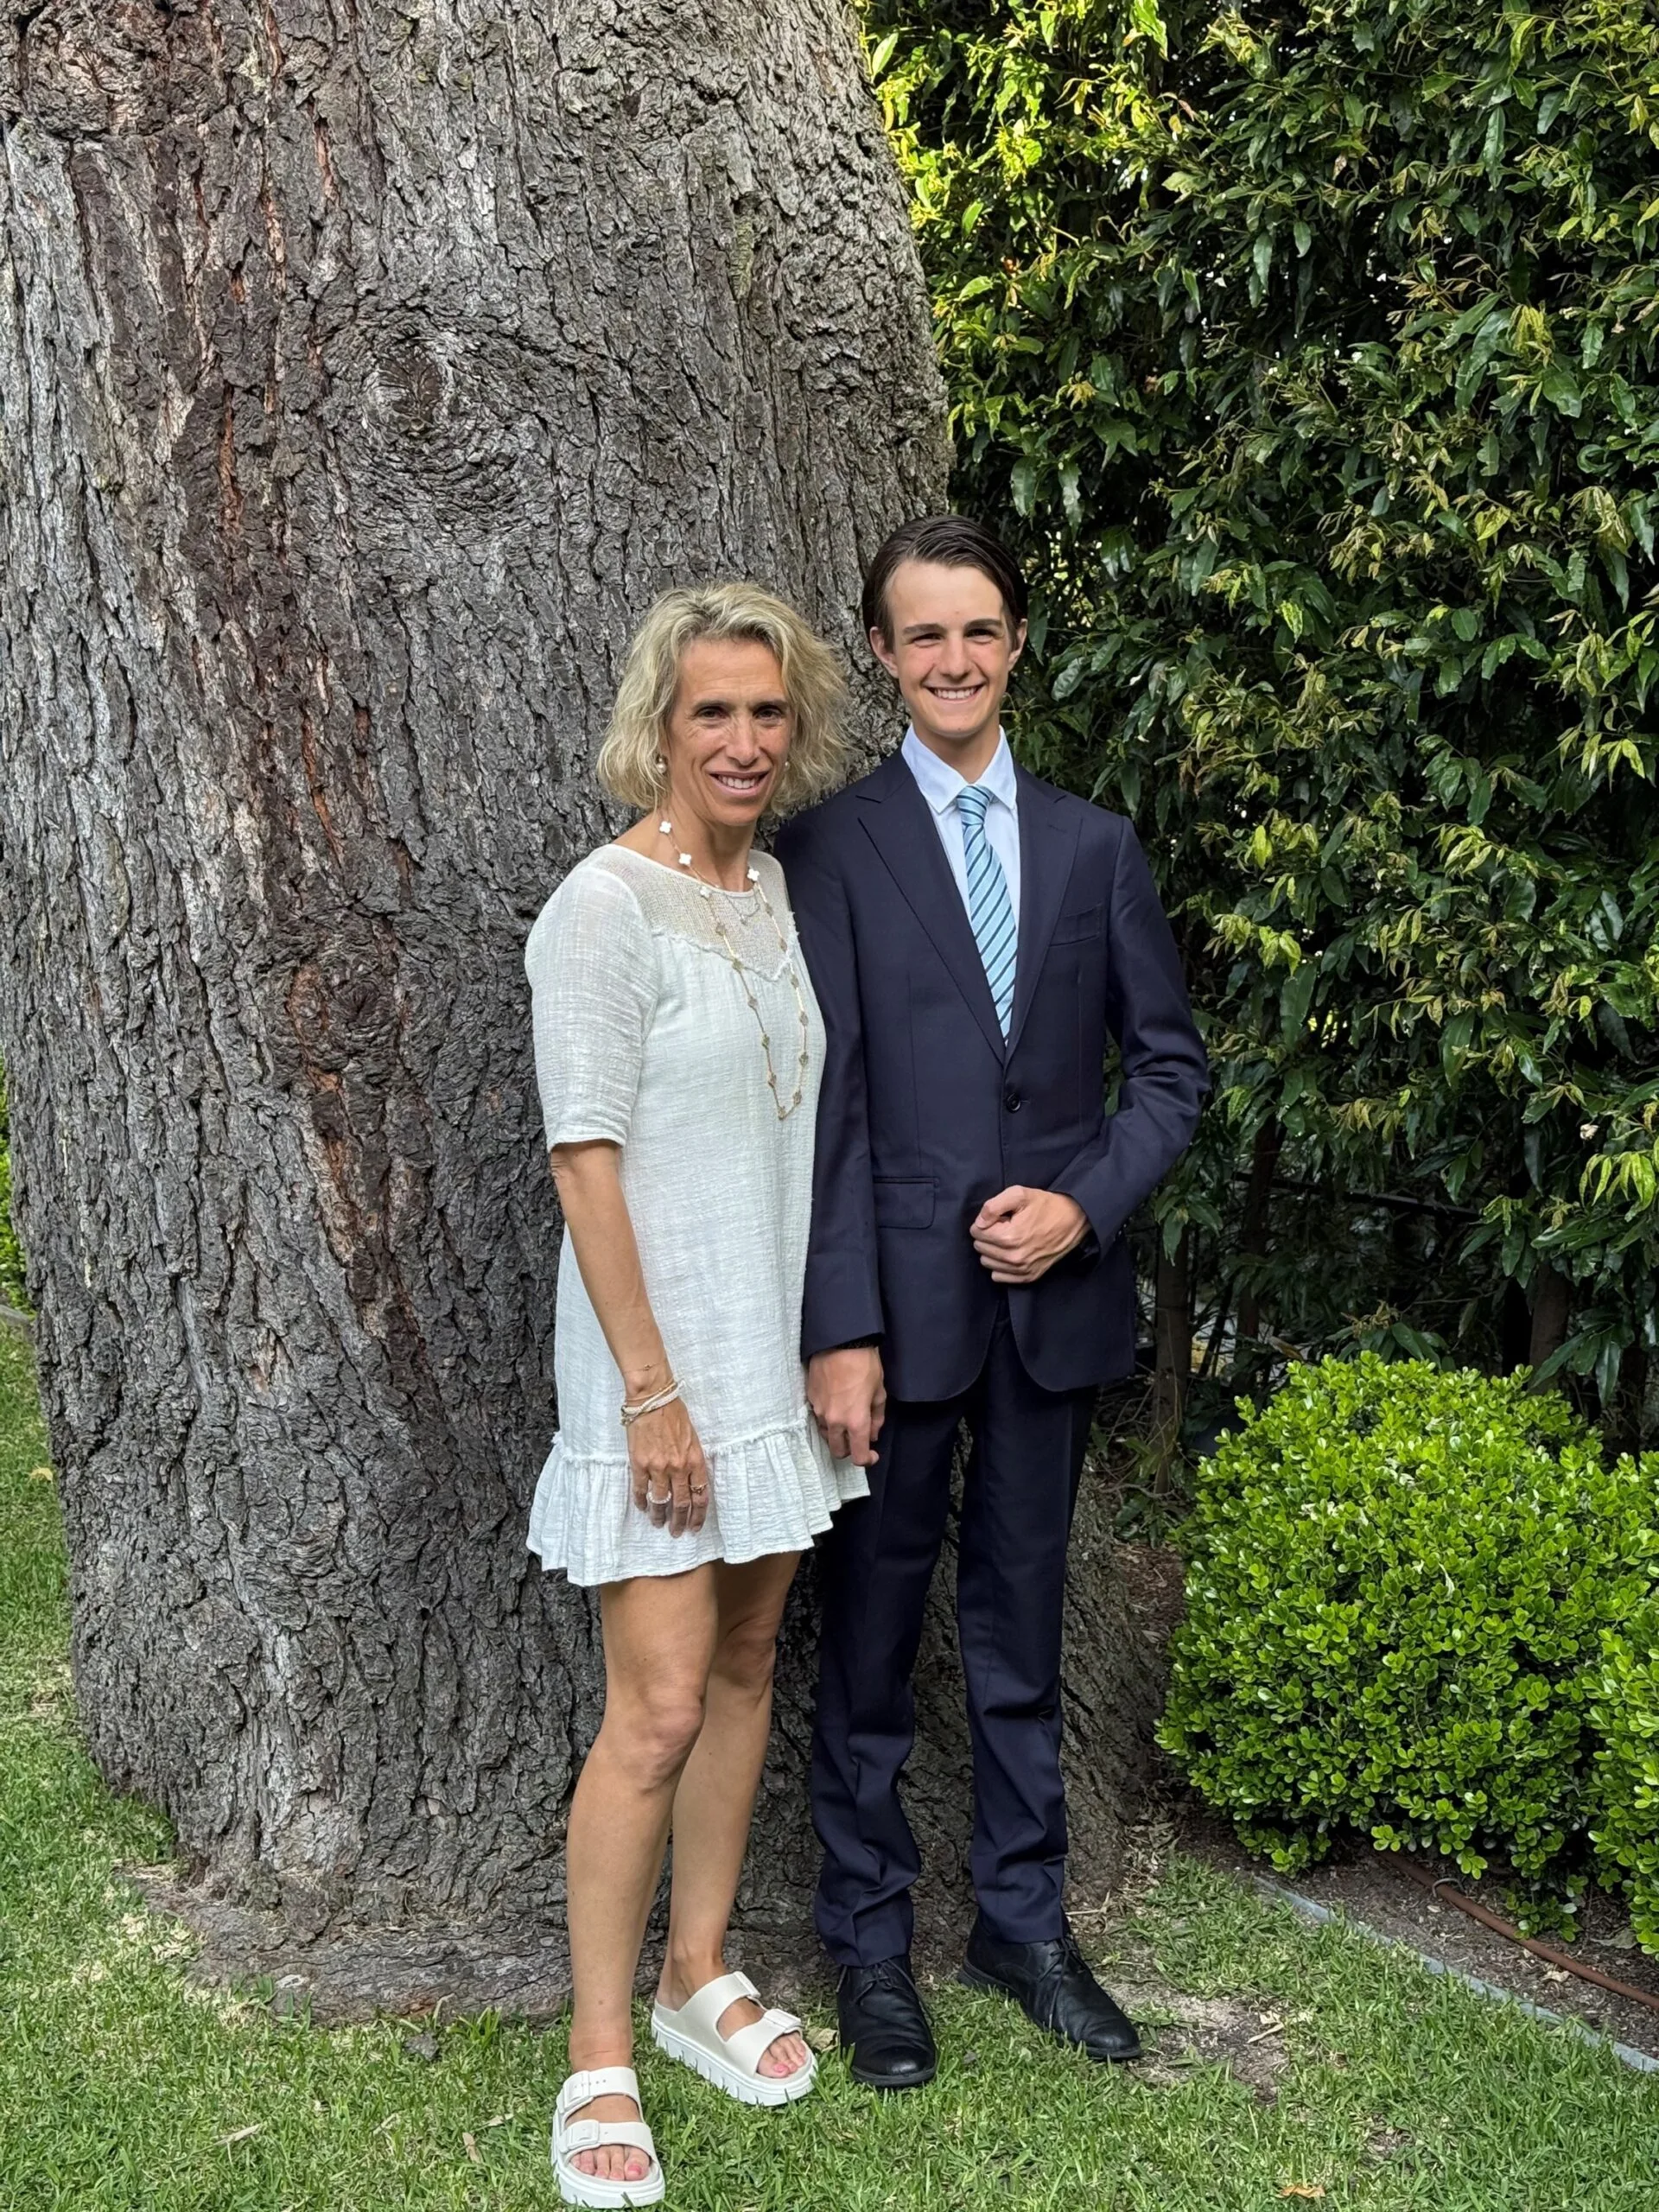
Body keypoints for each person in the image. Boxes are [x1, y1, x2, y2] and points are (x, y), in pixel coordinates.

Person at [774, 516, 1209, 2090]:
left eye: (981, 631)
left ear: (1019, 644)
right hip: (894, 1329)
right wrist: (840, 1323)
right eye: (922, 634)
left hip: (1055, 1311)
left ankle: (1023, 1926)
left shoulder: (1097, 848)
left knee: (1020, 1636)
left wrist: (1086, 1200)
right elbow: (818, 1109)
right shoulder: (829, 846)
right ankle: (871, 1947)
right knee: (873, 1645)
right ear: (882, 654)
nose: (954, 660)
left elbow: (1168, 1070)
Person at [524, 584, 872, 2205]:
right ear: (657, 727)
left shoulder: (786, 895)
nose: (741, 743)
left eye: (766, 714)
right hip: (656, 1377)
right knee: (653, 1711)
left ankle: (696, 1977)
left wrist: (818, 1343)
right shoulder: (603, 908)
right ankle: (601, 2052)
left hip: (770, 1370)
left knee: (745, 1670)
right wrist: (651, 1393)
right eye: (709, 714)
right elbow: (582, 1160)